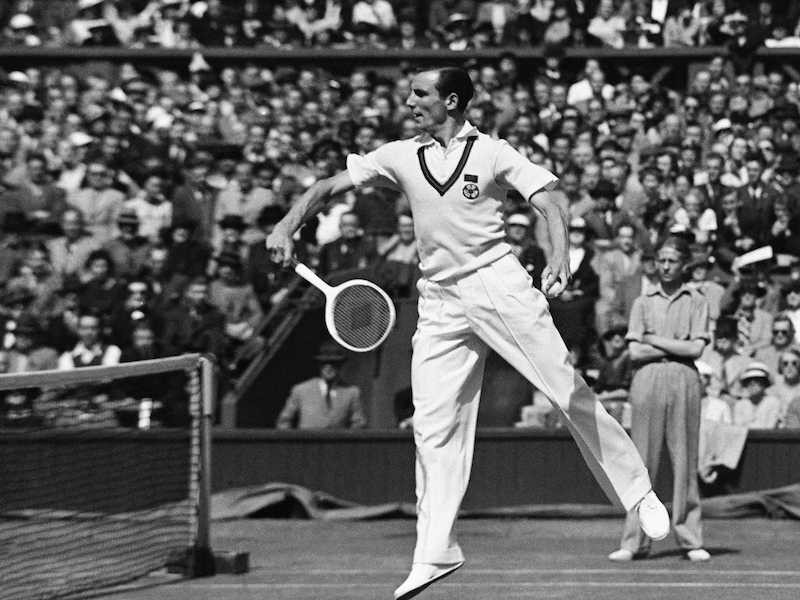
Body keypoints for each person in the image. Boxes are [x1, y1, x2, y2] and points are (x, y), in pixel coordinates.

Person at [266, 67, 668, 600]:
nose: (408, 101)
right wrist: (287, 224)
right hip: (438, 299)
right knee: (431, 426)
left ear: (451, 101)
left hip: (497, 283)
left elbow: (550, 201)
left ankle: (638, 492)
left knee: (565, 387)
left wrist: (557, 258)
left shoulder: (495, 153)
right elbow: (327, 185)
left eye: (420, 93)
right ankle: (435, 551)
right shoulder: (398, 154)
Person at [608, 236, 711, 563]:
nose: (666, 267)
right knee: (642, 464)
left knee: (685, 462)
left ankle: (690, 538)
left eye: (672, 261)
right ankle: (634, 541)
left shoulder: (697, 299)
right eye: (662, 260)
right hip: (647, 380)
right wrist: (672, 344)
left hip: (684, 379)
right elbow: (635, 351)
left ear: (684, 265)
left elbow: (696, 349)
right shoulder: (642, 302)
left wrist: (653, 338)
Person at [275, 340, 367, 430]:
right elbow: (284, 422)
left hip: (336, 444)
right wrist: (293, 444)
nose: (328, 368)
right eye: (324, 363)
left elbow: (359, 424)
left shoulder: (351, 392)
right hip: (307, 443)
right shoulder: (301, 390)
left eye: (334, 363)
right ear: (319, 365)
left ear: (340, 365)